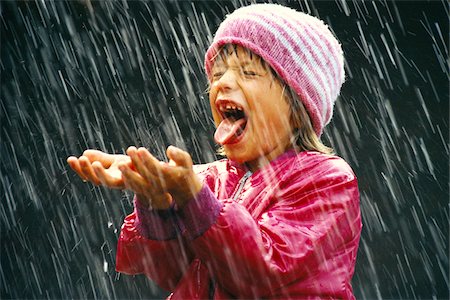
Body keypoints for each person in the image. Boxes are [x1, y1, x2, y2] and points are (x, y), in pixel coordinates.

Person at [67, 3, 362, 299]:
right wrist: (155, 200)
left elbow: (262, 271)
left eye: (248, 72)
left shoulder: (327, 180)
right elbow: (170, 272)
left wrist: (195, 199)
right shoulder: (205, 179)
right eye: (218, 73)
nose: (223, 83)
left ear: (298, 109)